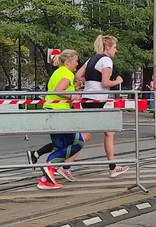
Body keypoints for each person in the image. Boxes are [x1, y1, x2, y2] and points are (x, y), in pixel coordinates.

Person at [37, 49, 91, 190]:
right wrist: (73, 96)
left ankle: (45, 180)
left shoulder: (58, 71)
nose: (77, 64)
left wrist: (75, 90)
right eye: (76, 61)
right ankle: (49, 166)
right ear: (68, 62)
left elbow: (58, 90)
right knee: (77, 142)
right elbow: (59, 91)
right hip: (60, 113)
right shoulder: (67, 73)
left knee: (61, 146)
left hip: (51, 111)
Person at [76, 34, 129, 178]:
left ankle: (112, 167)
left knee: (108, 132)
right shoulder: (106, 61)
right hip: (97, 100)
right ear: (108, 47)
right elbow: (106, 83)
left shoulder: (91, 59)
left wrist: (88, 82)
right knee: (85, 136)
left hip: (88, 99)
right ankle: (63, 164)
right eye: (115, 47)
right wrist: (118, 80)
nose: (116, 51)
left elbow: (78, 75)